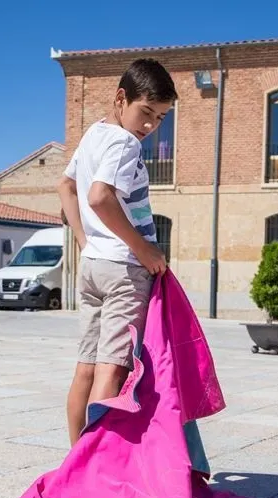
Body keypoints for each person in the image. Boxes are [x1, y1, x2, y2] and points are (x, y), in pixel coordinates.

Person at [57, 58, 175, 446]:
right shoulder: (125, 143)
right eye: (146, 112)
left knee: (86, 369)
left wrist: (84, 242)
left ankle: (76, 461)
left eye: (160, 118)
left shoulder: (94, 134)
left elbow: (65, 186)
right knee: (112, 371)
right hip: (124, 270)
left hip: (94, 266)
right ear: (121, 98)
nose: (150, 126)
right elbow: (99, 196)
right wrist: (143, 249)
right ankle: (95, 466)